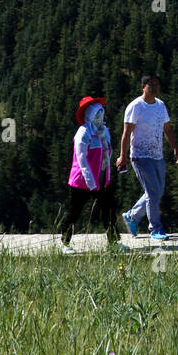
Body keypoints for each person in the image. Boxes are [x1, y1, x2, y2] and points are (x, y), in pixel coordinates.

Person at [116, 74, 178, 242]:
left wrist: (176, 149)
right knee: (153, 192)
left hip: (157, 155)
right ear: (143, 87)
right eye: (150, 85)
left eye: (156, 85)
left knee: (156, 192)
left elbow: (167, 129)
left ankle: (132, 217)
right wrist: (123, 156)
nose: (154, 88)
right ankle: (155, 229)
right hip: (140, 155)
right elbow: (127, 133)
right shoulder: (136, 106)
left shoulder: (161, 106)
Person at [59, 95, 122, 253]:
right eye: (97, 114)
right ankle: (64, 243)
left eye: (101, 113)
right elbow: (82, 159)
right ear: (90, 115)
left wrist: (105, 177)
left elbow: (107, 153)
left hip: (101, 179)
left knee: (108, 210)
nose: (100, 117)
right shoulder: (83, 133)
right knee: (75, 212)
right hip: (82, 181)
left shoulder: (104, 131)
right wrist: (90, 182)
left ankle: (113, 242)